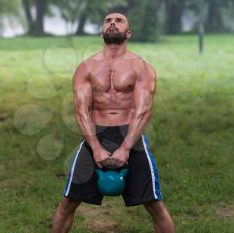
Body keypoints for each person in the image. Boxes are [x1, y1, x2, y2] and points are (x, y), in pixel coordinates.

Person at [51, 12, 175, 233]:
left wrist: (126, 147)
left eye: (119, 21)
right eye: (108, 20)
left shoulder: (141, 67)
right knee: (67, 204)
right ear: (101, 31)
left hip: (131, 134)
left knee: (155, 205)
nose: (112, 23)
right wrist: (95, 147)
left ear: (128, 33)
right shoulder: (86, 68)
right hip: (95, 134)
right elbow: (81, 111)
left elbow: (143, 110)